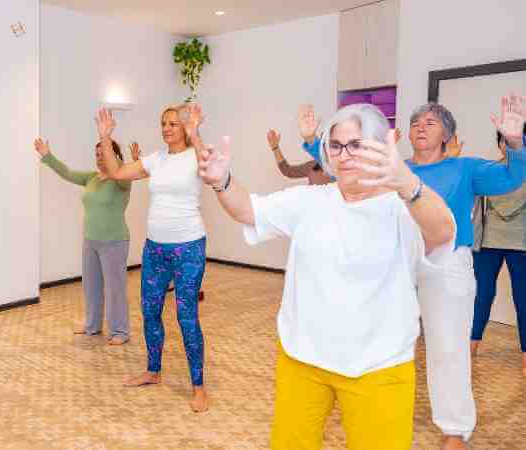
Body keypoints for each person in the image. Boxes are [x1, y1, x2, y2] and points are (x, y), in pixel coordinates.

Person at [200, 103, 455, 449]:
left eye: (357, 144)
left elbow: (441, 231)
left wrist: (408, 184)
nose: (345, 154)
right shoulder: (309, 201)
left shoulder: (403, 206)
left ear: (381, 148)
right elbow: (248, 209)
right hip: (302, 358)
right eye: (336, 145)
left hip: (378, 366)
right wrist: (222, 181)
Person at [298, 97, 525, 449]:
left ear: (448, 135)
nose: (421, 126)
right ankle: (365, 404)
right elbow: (344, 166)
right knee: (379, 336)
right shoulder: (394, 168)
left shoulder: (465, 168)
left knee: (447, 345)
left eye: (431, 122)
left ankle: (455, 429)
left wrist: (513, 142)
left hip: (446, 264)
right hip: (395, 260)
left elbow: (512, 177)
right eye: (417, 121)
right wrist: (313, 138)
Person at [96, 104, 210, 412]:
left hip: (188, 247)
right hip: (155, 249)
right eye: (163, 123)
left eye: (173, 123)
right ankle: (153, 370)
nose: (167, 128)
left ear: (184, 128)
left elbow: (211, 169)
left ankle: (198, 387)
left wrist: (196, 133)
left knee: (187, 319)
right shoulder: (156, 160)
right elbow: (117, 172)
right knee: (149, 311)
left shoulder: (195, 155)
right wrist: (106, 138)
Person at [32, 136, 133, 345]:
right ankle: (93, 325)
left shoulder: (122, 179)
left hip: (114, 242)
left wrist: (124, 160)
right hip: (91, 241)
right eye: (96, 154)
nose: (98, 158)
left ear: (113, 155)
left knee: (115, 288)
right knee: (91, 285)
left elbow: (123, 171)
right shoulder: (92, 178)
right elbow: (67, 172)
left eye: (102, 153)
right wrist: (47, 156)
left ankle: (120, 331)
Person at [471, 125, 526, 377]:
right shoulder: (489, 170)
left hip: (522, 245)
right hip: (487, 243)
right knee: (481, 295)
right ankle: (471, 345)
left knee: (523, 299)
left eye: (516, 138)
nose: (509, 143)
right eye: (504, 139)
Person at [266, 128, 330, 185]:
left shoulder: (338, 171)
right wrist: (275, 147)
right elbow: (288, 170)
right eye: (323, 143)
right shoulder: (314, 165)